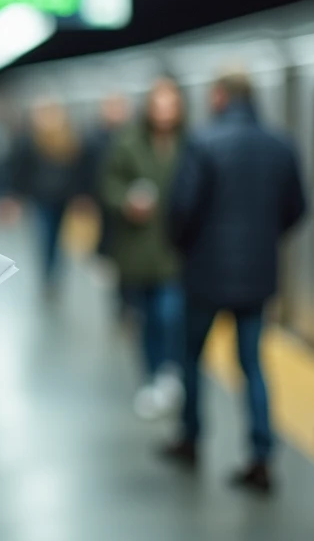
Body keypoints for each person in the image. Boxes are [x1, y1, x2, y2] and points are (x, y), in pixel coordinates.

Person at [164, 68, 306, 494]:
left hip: (205, 273)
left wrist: (182, 246)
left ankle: (191, 438)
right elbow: (297, 207)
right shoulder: (281, 144)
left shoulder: (203, 141)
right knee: (252, 365)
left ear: (221, 95)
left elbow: (182, 207)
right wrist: (264, 239)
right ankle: (261, 456)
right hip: (257, 275)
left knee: (192, 356)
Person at [100, 78, 185, 420]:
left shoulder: (190, 144)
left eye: (170, 105)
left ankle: (170, 371)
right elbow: (108, 186)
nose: (164, 113)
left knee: (170, 315)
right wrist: (126, 202)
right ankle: (152, 378)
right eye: (159, 105)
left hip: (176, 249)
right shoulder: (128, 144)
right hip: (137, 249)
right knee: (147, 320)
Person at [12, 98, 86, 294]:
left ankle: (53, 272)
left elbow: (78, 171)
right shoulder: (31, 141)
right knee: (46, 235)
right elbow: (22, 170)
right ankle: (48, 273)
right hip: (41, 198)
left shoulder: (70, 140)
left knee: (59, 238)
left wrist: (79, 195)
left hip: (62, 197)